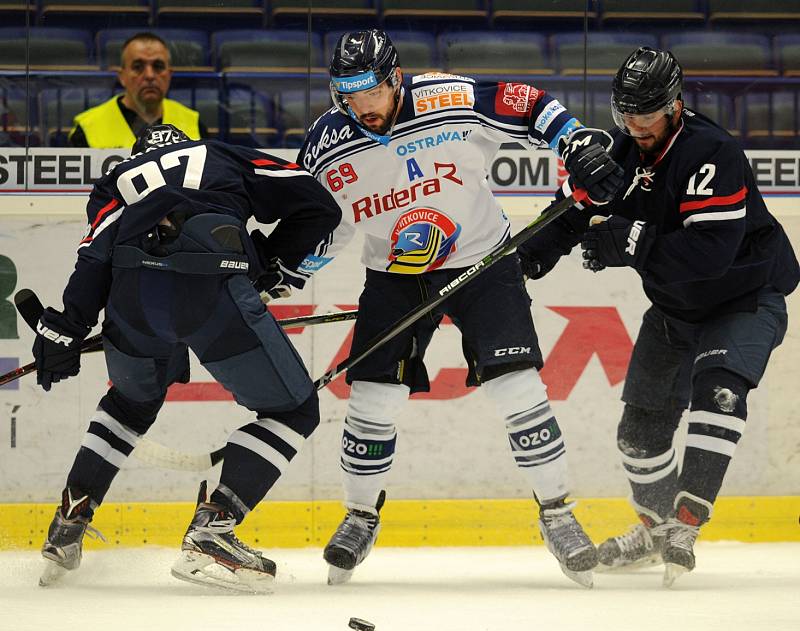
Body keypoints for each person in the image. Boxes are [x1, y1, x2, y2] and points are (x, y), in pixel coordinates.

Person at [296, 30, 624, 588]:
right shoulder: (325, 144)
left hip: (483, 259)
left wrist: (574, 142)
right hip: (395, 276)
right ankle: (359, 515)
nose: (363, 107)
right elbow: (324, 226)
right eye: (350, 95)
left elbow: (528, 102)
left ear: (395, 78)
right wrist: (283, 272)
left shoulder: (449, 98)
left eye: (372, 91)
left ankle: (558, 514)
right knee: (374, 398)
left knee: (518, 386)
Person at [518, 47, 799, 586]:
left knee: (720, 393)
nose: (636, 126)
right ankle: (657, 526)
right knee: (639, 437)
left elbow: (711, 255)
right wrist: (528, 255)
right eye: (627, 115)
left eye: (646, 115)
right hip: (675, 309)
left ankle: (686, 520)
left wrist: (631, 239)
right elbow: (574, 210)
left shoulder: (712, 152)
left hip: (743, 296)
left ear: (674, 104)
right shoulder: (620, 148)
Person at [33, 124, 341, 593]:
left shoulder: (117, 178)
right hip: (212, 287)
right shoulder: (222, 155)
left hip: (133, 300)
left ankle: (70, 520)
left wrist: (66, 328)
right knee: (293, 409)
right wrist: (269, 263)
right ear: (186, 143)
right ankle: (212, 530)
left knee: (130, 404)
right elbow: (320, 207)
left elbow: (96, 256)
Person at [68, 32, 208, 148]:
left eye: (158, 66)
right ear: (122, 76)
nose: (149, 75)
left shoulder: (194, 123)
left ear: (169, 74)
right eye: (138, 66)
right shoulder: (88, 127)